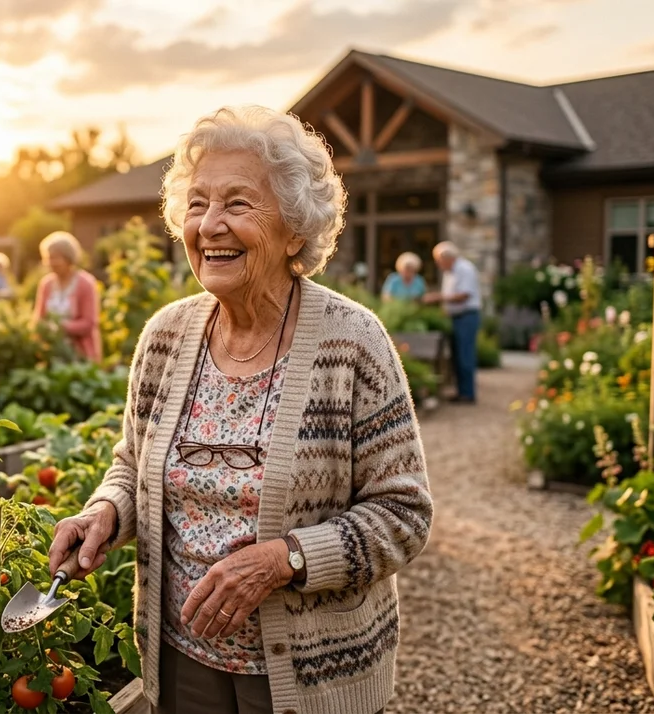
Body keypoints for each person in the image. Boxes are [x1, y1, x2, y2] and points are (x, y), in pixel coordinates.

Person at [48, 106, 433, 714]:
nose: (210, 225)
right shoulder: (166, 337)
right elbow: (132, 463)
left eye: (238, 204)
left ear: (296, 230)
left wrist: (285, 559)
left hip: (313, 673)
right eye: (197, 205)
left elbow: (403, 514)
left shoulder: (353, 344)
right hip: (181, 656)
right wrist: (105, 514)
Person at [424, 241, 482, 404]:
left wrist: (439, 297)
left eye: (438, 261)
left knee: (465, 355)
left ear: (446, 257)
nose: (438, 265)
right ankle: (461, 391)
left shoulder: (464, 269)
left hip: (467, 316)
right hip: (456, 317)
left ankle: (468, 394)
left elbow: (465, 295)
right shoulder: (450, 272)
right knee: (457, 356)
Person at [33, 231, 102, 362]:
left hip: (80, 355)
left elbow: (89, 323)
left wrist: (61, 327)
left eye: (55, 257)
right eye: (49, 258)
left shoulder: (85, 283)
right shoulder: (46, 284)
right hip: (52, 352)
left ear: (68, 258)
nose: (51, 262)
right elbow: (38, 318)